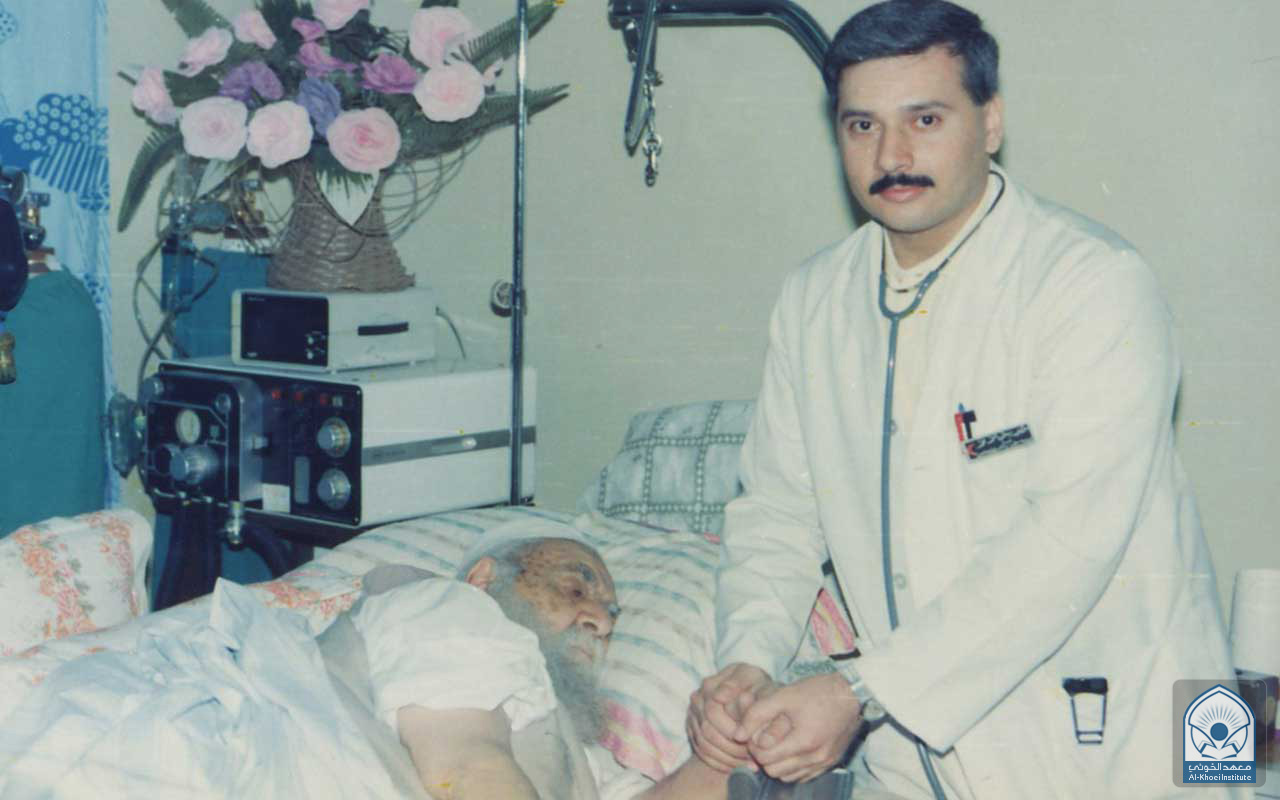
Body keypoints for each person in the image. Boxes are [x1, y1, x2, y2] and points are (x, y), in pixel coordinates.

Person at [687, 1, 1241, 797]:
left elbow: (1069, 542)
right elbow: (777, 511)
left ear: (991, 123)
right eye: (862, 126)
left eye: (926, 119)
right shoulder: (815, 300)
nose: (893, 155)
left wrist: (861, 690)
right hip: (917, 756)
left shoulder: (1093, 284)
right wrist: (747, 657)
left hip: (1123, 737)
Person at [0, 519, 728, 800]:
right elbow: (468, 770)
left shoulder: (570, 736)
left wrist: (728, 750)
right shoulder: (458, 613)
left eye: (611, 614)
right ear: (485, 578)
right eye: (576, 585)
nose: (598, 616)